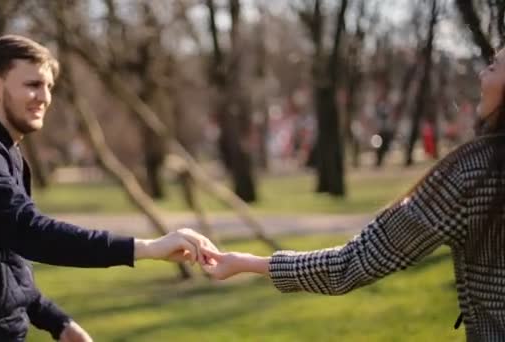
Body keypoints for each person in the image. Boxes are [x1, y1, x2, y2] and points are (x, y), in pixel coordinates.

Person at [0, 35, 215, 342]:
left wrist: (57, 322)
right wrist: (146, 248)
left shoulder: (6, 155)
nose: (44, 97)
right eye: (32, 85)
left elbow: (8, 261)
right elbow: (30, 232)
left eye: (48, 87)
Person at [202, 48, 505, 340]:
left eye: (493, 67)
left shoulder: (474, 172)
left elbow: (353, 263)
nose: (481, 74)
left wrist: (247, 263)